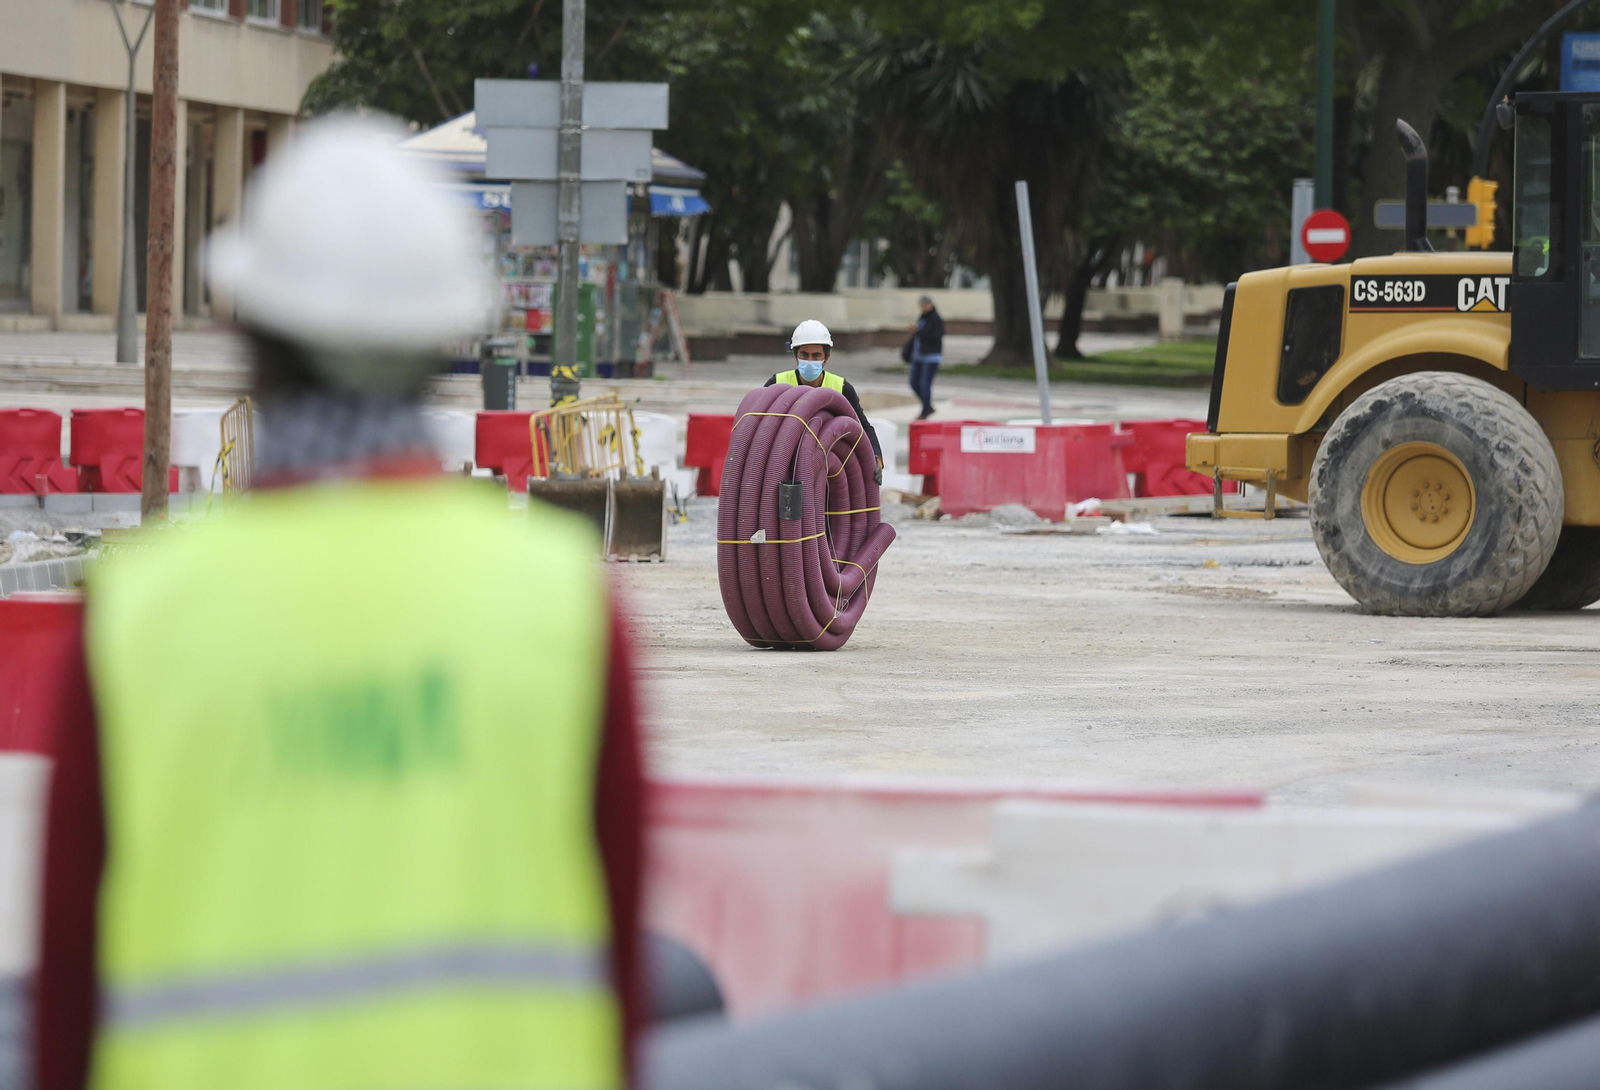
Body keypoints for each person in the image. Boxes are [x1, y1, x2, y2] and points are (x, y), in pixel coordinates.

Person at [33, 116, 645, 1090]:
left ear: (244, 334)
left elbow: (68, 999)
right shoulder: (564, 606)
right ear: (439, 340)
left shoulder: (136, 620)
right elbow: (619, 974)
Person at [764, 319, 884, 483]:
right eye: (804, 355)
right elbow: (758, 426)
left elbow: (862, 427)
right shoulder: (777, 383)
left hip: (828, 469)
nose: (810, 361)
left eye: (816, 356)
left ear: (826, 358)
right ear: (795, 356)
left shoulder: (841, 388)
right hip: (784, 466)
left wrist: (876, 457)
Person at [908, 295, 944, 420]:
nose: (923, 308)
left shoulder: (936, 319)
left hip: (931, 357)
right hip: (918, 356)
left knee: (925, 384)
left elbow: (935, 337)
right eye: (921, 306)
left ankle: (924, 412)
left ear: (930, 304)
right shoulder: (922, 317)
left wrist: (918, 332)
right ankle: (928, 406)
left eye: (925, 305)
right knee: (913, 382)